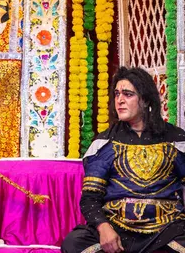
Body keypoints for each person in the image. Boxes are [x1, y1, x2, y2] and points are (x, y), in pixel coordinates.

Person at [62, 67, 185, 253]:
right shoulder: (104, 143)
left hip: (165, 230)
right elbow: (90, 198)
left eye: (128, 94)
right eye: (117, 94)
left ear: (145, 100)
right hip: (117, 230)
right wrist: (104, 228)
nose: (119, 100)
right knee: (73, 244)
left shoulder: (176, 139)